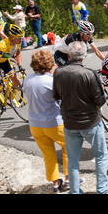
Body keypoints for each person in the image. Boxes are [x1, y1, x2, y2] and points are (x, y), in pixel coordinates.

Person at [52, 41, 108, 194]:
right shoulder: (90, 73)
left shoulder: (58, 72)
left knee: (72, 160)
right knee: (101, 156)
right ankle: (102, 190)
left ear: (69, 55)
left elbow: (55, 95)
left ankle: (75, 191)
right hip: (91, 122)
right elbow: (100, 100)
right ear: (84, 55)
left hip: (70, 123)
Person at [24, 50, 69, 194]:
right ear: (50, 64)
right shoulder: (52, 81)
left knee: (48, 155)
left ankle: (55, 184)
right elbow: (63, 100)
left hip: (35, 124)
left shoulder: (27, 79)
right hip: (53, 123)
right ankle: (69, 180)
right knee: (68, 148)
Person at [0, 24, 25, 99]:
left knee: (16, 82)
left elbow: (18, 54)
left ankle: (12, 98)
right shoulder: (3, 45)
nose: (21, 40)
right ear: (12, 37)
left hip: (5, 61)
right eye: (19, 38)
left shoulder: (18, 43)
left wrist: (20, 66)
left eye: (22, 38)